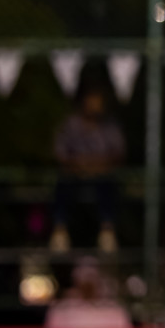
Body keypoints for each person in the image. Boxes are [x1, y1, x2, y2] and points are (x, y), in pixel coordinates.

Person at [50, 87, 126, 253]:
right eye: (92, 101)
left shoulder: (110, 126)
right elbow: (60, 154)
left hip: (101, 174)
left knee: (109, 184)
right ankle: (60, 231)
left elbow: (118, 154)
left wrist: (96, 165)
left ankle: (107, 232)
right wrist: (79, 165)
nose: (95, 106)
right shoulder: (71, 124)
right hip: (74, 174)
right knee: (62, 183)